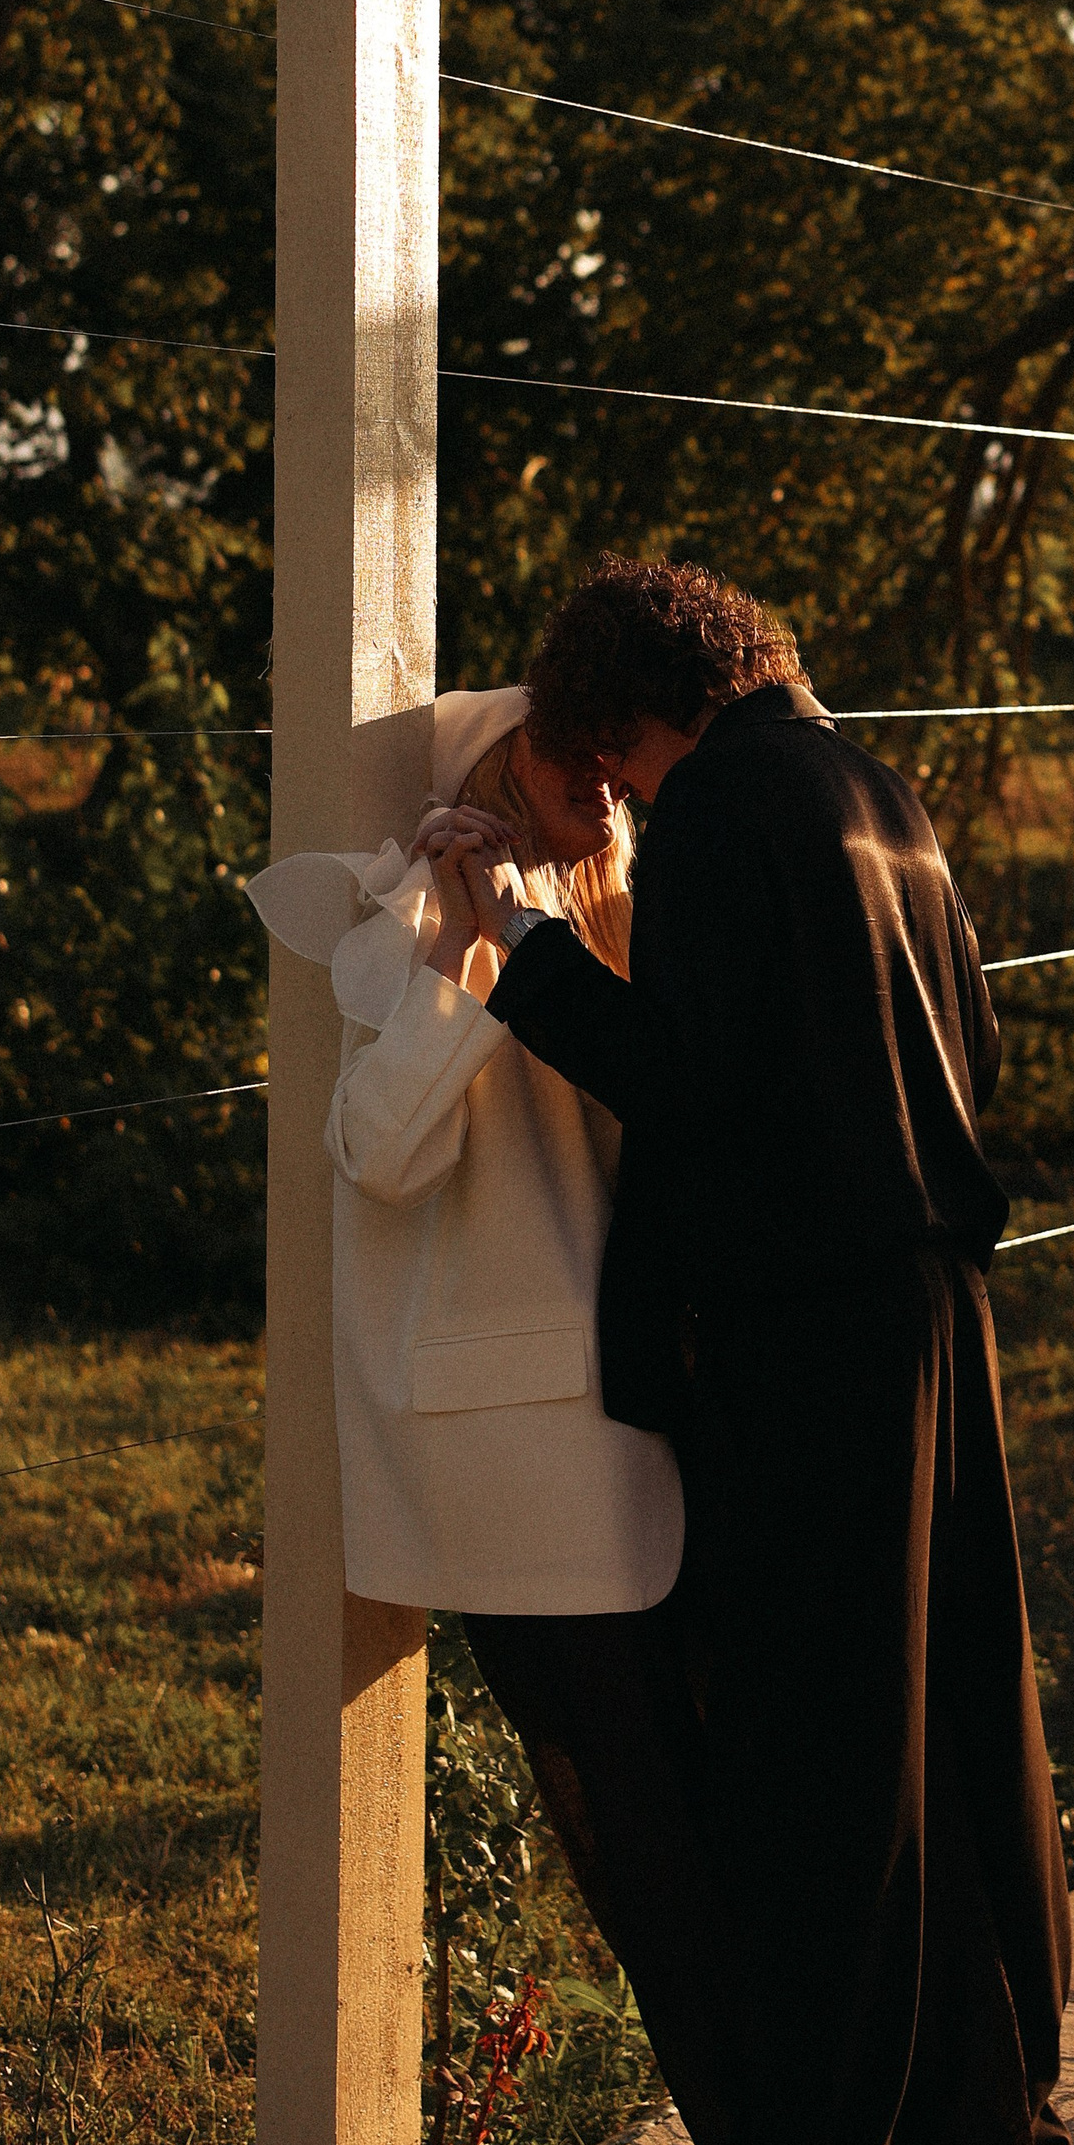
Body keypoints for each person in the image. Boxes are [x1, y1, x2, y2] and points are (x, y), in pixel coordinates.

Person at [446, 558, 1074, 2145]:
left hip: (808, 1346)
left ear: (615, 724)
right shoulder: (875, 792)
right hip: (936, 1311)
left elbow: (695, 1080)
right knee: (951, 1740)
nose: (608, 798)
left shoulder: (719, 816)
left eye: (600, 764)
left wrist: (514, 944)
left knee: (819, 1778)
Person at [246, 685, 684, 1619]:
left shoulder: (620, 935)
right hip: (519, 1436)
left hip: (640, 1397)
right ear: (492, 773)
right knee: (617, 1753)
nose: (603, 770)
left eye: (611, 747)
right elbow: (380, 1156)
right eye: (566, 744)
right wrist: (457, 942)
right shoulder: (426, 930)